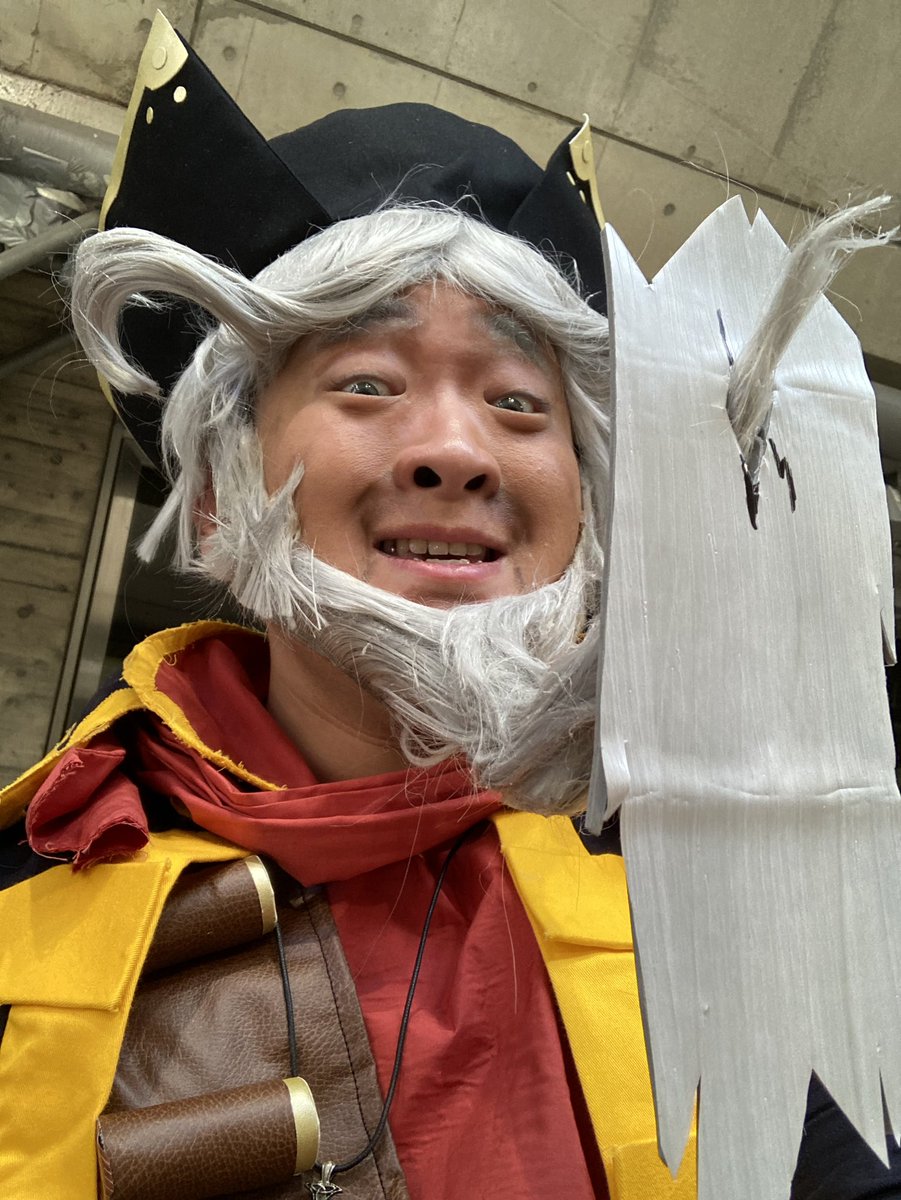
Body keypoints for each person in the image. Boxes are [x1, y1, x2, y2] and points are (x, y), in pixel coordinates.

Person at [0, 14, 899, 1200]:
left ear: (585, 513)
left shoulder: (725, 873)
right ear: (218, 500)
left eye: (518, 403)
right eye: (367, 382)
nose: (456, 451)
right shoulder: (27, 889)